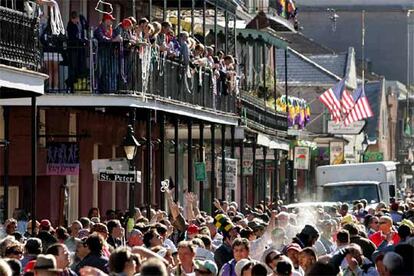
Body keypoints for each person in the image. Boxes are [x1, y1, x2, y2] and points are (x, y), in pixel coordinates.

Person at [66, 10, 88, 93]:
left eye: (75, 19)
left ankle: (80, 86)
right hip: (73, 49)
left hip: (81, 48)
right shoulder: (70, 25)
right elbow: (72, 37)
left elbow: (86, 27)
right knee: (73, 68)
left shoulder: (82, 20)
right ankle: (71, 86)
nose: (74, 21)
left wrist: (84, 38)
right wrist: (80, 40)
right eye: (73, 20)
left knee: (81, 67)